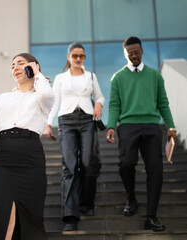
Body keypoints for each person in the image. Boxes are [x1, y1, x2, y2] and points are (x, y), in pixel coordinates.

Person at [0, 53, 54, 239]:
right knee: (4, 219)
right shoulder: (4, 98)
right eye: (12, 65)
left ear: (33, 67)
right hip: (3, 160)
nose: (15, 68)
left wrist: (36, 74)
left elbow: (47, 94)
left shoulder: (42, 96)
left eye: (21, 63)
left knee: (32, 218)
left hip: (30, 158)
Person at [106, 36, 177, 232]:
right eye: (130, 53)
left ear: (142, 51)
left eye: (137, 52)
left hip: (152, 127)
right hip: (128, 126)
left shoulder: (155, 76)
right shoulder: (118, 77)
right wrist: (111, 125)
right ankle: (131, 198)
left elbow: (163, 103)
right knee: (126, 163)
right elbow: (114, 105)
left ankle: (151, 217)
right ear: (125, 54)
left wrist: (171, 126)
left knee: (156, 170)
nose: (134, 55)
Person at [43, 42, 105, 231]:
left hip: (87, 120)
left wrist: (99, 104)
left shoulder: (90, 76)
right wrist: (48, 123)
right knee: (69, 166)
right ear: (69, 57)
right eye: (75, 56)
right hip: (66, 121)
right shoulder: (61, 78)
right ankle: (70, 214)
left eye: (82, 56)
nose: (78, 59)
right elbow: (55, 102)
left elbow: (100, 96)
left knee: (87, 163)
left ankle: (87, 203)